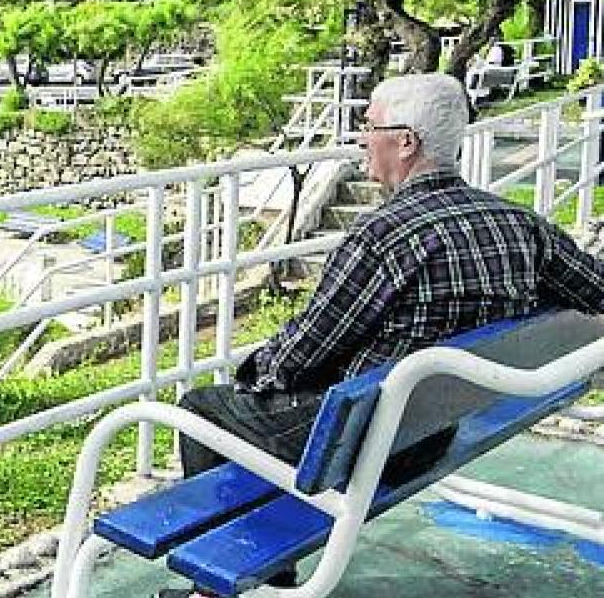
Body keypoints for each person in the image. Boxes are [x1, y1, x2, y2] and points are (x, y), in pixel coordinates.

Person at [162, 72, 604, 597]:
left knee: (201, 407)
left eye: (367, 126)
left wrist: (252, 373)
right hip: (436, 428)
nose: (360, 139)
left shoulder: (385, 236)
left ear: (405, 141)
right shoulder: (518, 223)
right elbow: (596, 291)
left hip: (372, 440)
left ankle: (221, 582)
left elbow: (303, 354)